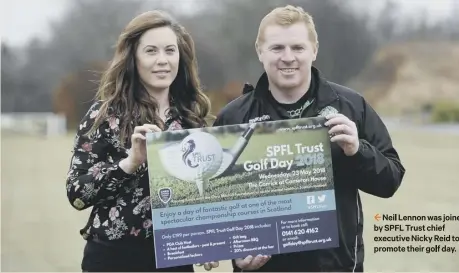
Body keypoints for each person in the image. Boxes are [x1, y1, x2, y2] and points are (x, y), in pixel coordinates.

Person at [213, 5, 406, 272]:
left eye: (298, 48)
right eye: (277, 48)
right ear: (260, 51)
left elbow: (391, 180)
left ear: (314, 50)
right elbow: (215, 206)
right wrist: (235, 251)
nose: (288, 57)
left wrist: (357, 150)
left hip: (335, 266)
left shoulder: (351, 106)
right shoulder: (233, 117)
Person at [65, 10, 219, 272]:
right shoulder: (104, 116)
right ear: (132, 58)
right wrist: (130, 162)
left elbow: (203, 195)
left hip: (175, 260)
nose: (162, 60)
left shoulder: (191, 118)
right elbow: (77, 194)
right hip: (113, 260)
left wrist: (205, 243)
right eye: (151, 51)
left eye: (170, 51)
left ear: (180, 58)